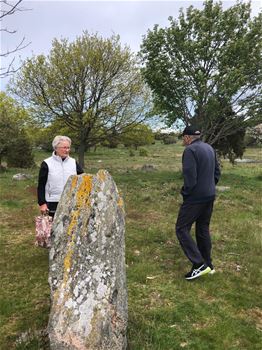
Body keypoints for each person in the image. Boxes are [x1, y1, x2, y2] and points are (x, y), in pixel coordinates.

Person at [176, 126, 220, 280]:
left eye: (183, 137)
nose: (183, 140)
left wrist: (186, 193)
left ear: (188, 137)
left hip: (195, 198)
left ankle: (199, 264)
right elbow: (217, 172)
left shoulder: (190, 151)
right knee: (202, 229)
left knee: (181, 229)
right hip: (209, 195)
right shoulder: (209, 148)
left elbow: (190, 177)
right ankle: (209, 265)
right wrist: (209, 187)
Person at [37, 135, 84, 217]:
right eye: (64, 147)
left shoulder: (73, 162)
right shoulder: (47, 163)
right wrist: (42, 203)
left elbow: (83, 180)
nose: (67, 150)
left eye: (68, 147)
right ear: (56, 148)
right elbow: (41, 185)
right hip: (52, 202)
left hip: (71, 201)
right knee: (52, 229)